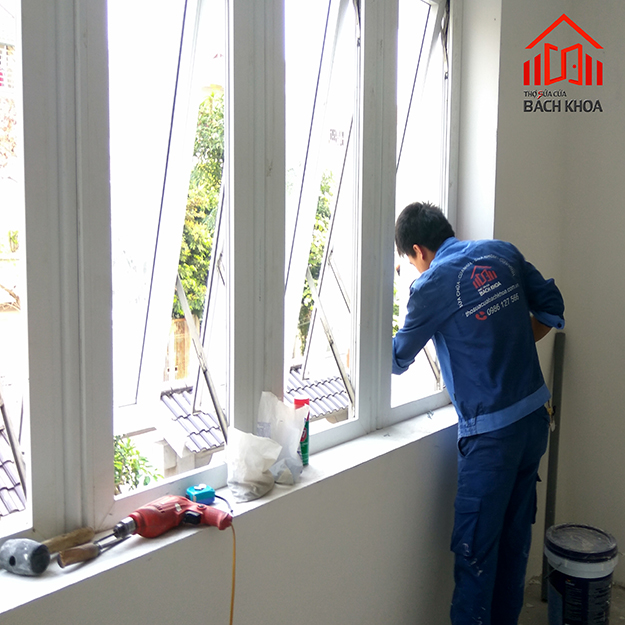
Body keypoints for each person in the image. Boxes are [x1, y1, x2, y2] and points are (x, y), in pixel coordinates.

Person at [392, 201, 564, 625]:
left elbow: (398, 358)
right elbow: (551, 307)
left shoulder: (431, 284)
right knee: (512, 546)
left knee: (475, 555)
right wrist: (509, 338)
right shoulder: (501, 251)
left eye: (411, 262)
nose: (414, 268)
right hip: (534, 420)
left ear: (418, 251)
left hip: (492, 438)